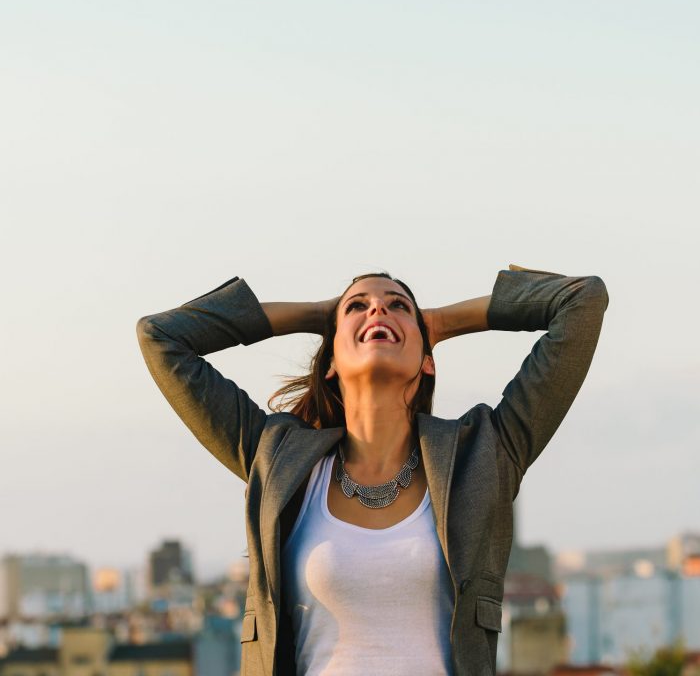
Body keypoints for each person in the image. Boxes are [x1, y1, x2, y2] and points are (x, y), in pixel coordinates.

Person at [136, 263, 609, 676]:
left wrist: (440, 321)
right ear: (329, 362)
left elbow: (582, 300)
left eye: (398, 306)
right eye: (357, 306)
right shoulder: (276, 458)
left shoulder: (484, 454)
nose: (378, 309)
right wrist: (316, 315)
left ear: (428, 360)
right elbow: (161, 336)